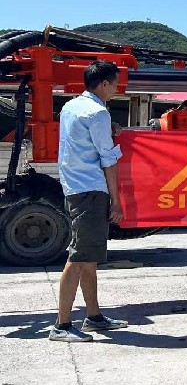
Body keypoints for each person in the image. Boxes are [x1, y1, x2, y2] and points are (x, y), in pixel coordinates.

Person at [49, 60, 129, 342]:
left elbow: (82, 141)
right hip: (91, 190)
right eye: (115, 84)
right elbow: (108, 159)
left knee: (89, 257)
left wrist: (109, 129)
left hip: (74, 187)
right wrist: (116, 200)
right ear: (104, 84)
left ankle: (94, 317)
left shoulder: (71, 107)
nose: (117, 90)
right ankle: (61, 325)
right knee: (79, 256)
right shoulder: (98, 113)